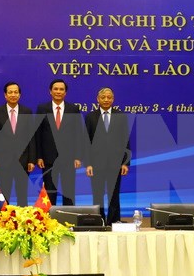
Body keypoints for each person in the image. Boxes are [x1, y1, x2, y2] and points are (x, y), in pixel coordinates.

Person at [85, 87, 131, 224]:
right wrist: (88, 164)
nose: (106, 100)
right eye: (103, 97)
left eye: (109, 97)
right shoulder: (90, 117)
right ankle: (99, 221)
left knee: (114, 194)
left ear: (113, 99)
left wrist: (125, 163)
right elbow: (86, 141)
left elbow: (125, 140)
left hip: (115, 163)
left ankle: (113, 221)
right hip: (96, 163)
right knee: (97, 194)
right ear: (97, 99)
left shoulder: (120, 116)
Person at [35, 79, 84, 205]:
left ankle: (68, 216)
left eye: (61, 89)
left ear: (65, 92)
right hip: (48, 158)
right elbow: (38, 134)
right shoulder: (42, 108)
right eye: (55, 89)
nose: (58, 91)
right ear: (50, 91)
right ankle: (51, 217)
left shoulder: (73, 109)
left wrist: (78, 156)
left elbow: (79, 133)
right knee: (50, 192)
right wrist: (39, 156)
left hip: (69, 158)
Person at [0, 82, 37, 206]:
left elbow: (31, 137)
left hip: (23, 160)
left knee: (22, 195)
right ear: (5, 95)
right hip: (3, 161)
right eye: (10, 92)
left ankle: (23, 217)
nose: (13, 95)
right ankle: (5, 217)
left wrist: (32, 160)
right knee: (4, 195)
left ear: (20, 95)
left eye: (16, 92)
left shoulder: (27, 111)